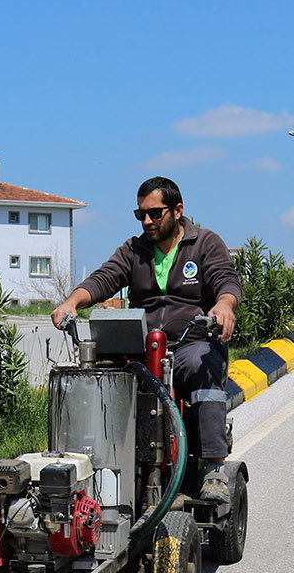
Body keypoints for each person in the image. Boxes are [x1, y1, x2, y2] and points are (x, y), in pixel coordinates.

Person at [51, 176, 243, 502]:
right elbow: (104, 278)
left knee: (203, 365)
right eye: (141, 214)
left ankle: (213, 468)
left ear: (177, 210)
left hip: (190, 342)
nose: (148, 221)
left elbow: (226, 280)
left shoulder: (205, 243)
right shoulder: (134, 250)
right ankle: (91, 465)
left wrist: (224, 305)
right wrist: (72, 302)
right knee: (96, 379)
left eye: (155, 213)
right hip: (143, 348)